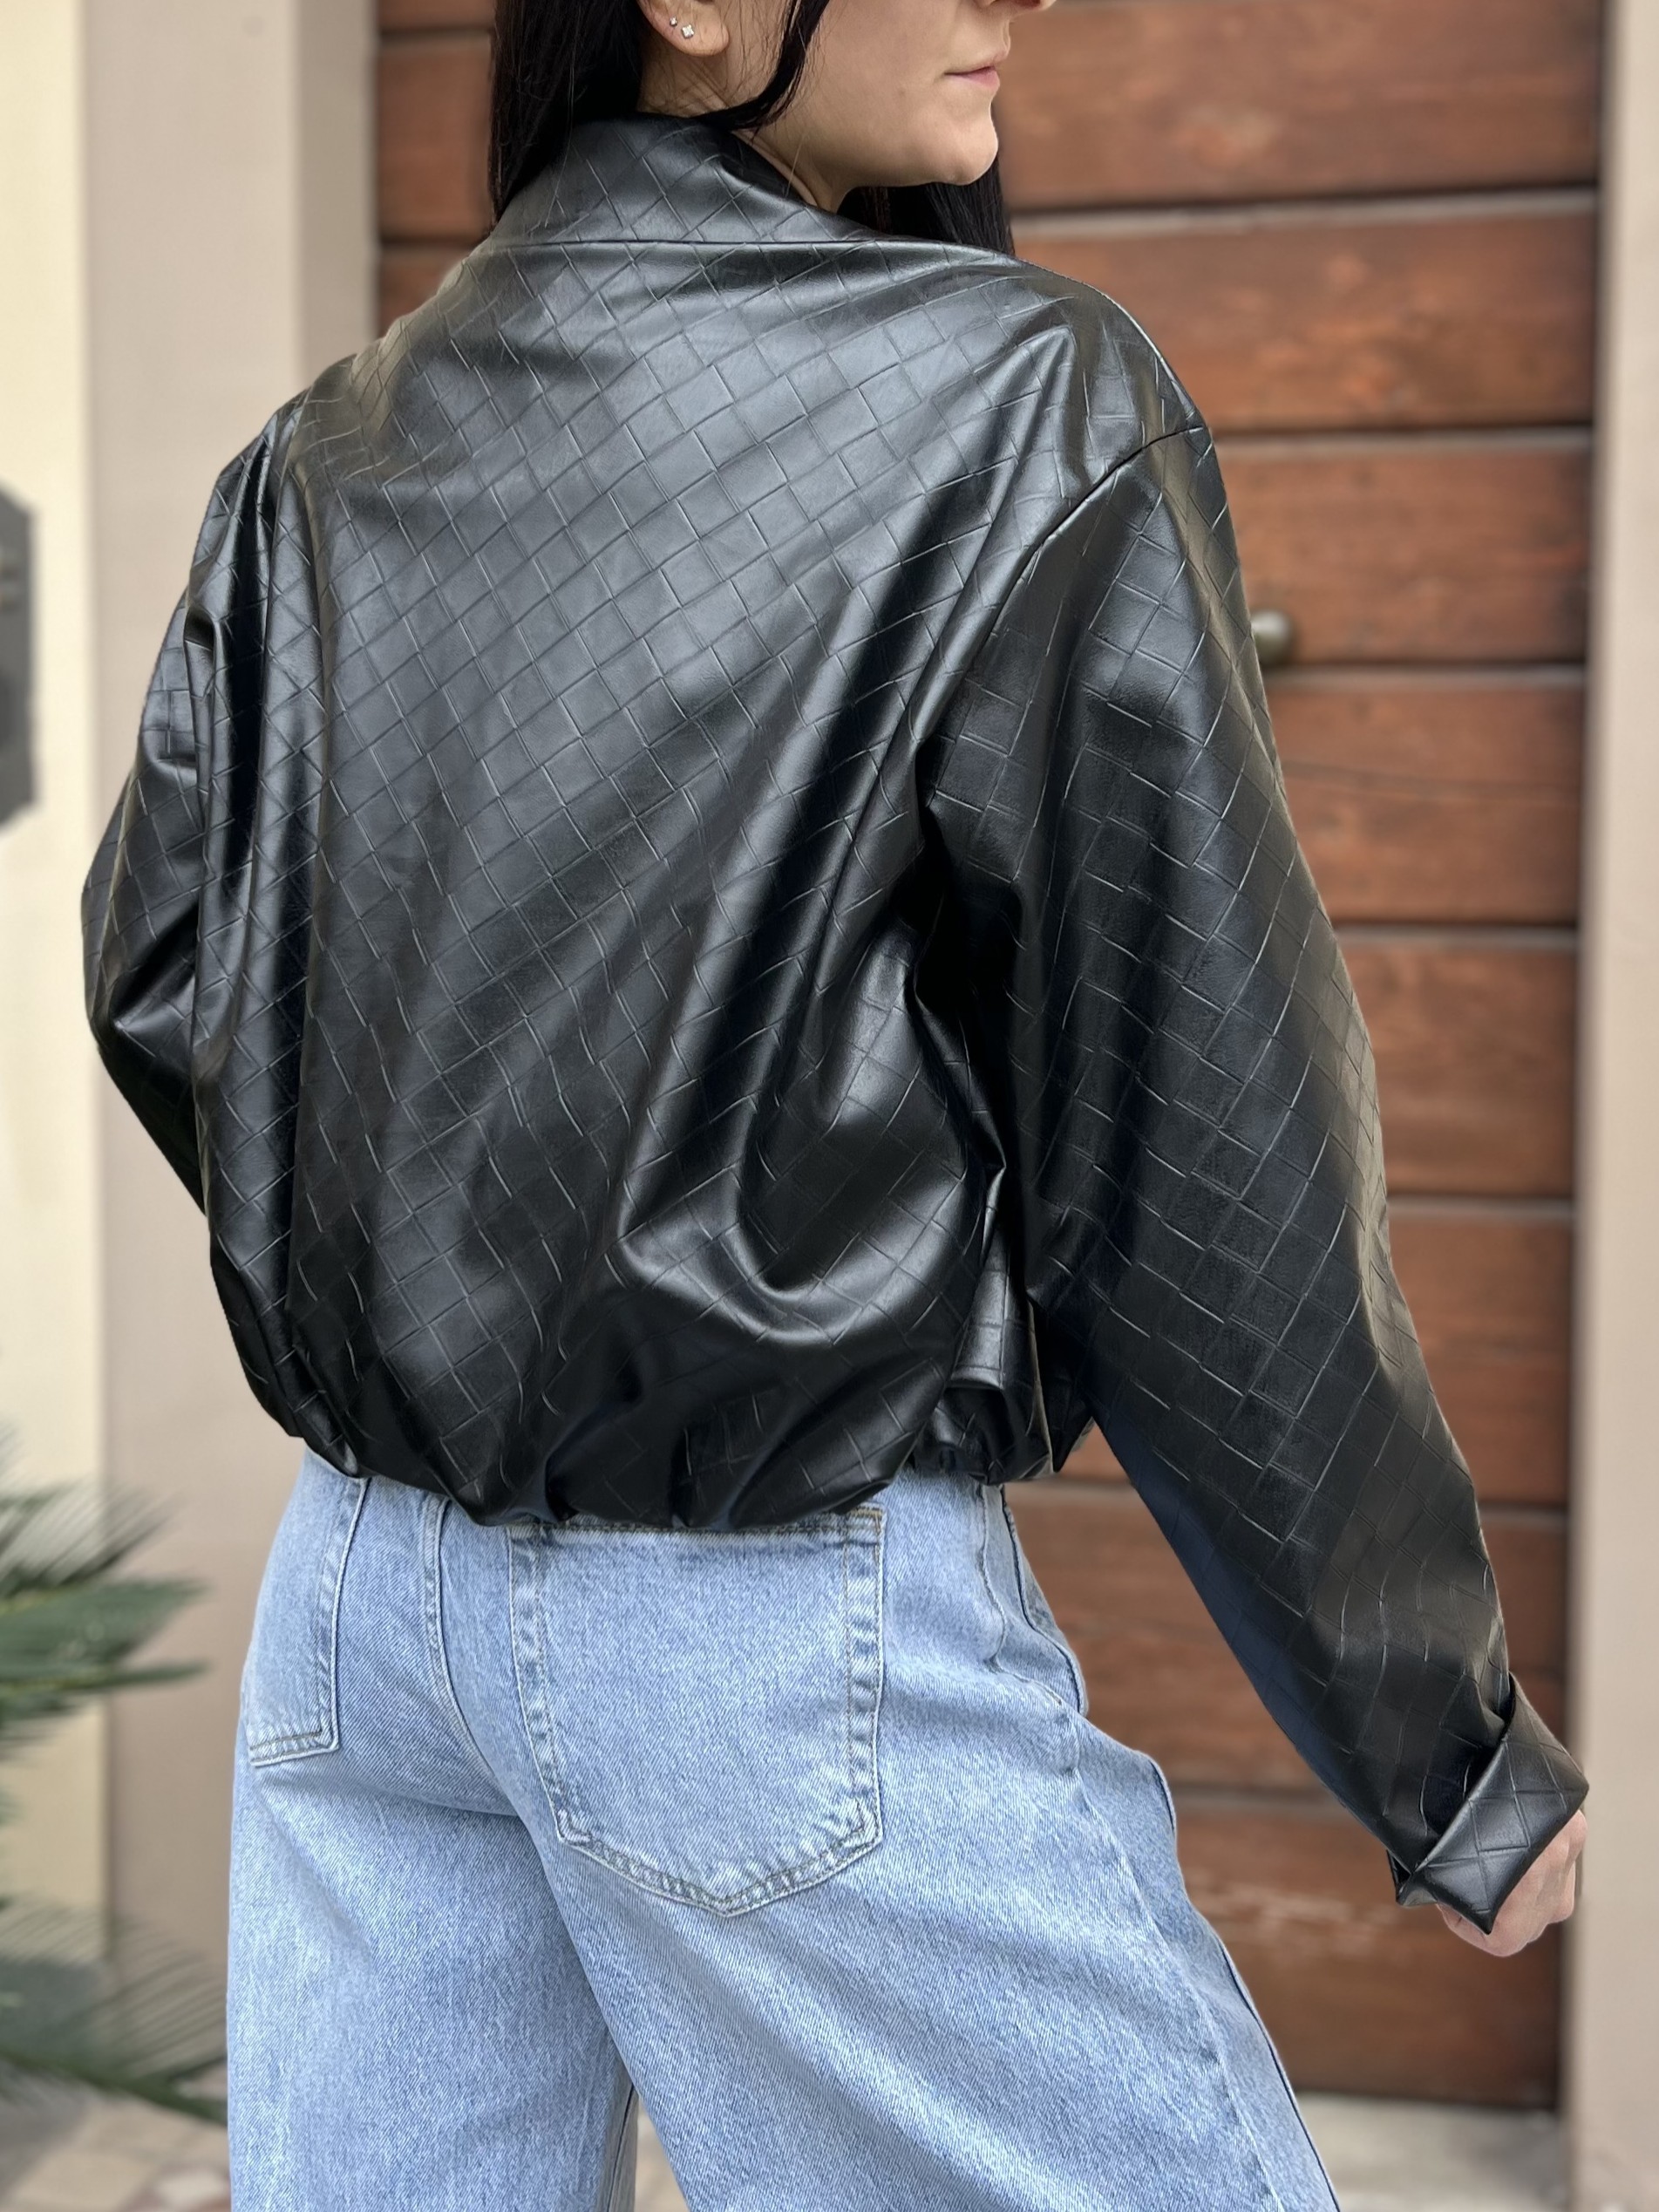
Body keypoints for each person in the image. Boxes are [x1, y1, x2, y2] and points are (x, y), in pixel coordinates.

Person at [82, 0, 1588, 2204]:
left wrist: (436, 1285)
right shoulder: (1010, 402)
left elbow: (161, 975)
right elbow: (1203, 1155)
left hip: (360, 1622)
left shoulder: (317, 459)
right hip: (755, 1647)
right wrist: (1440, 1745)